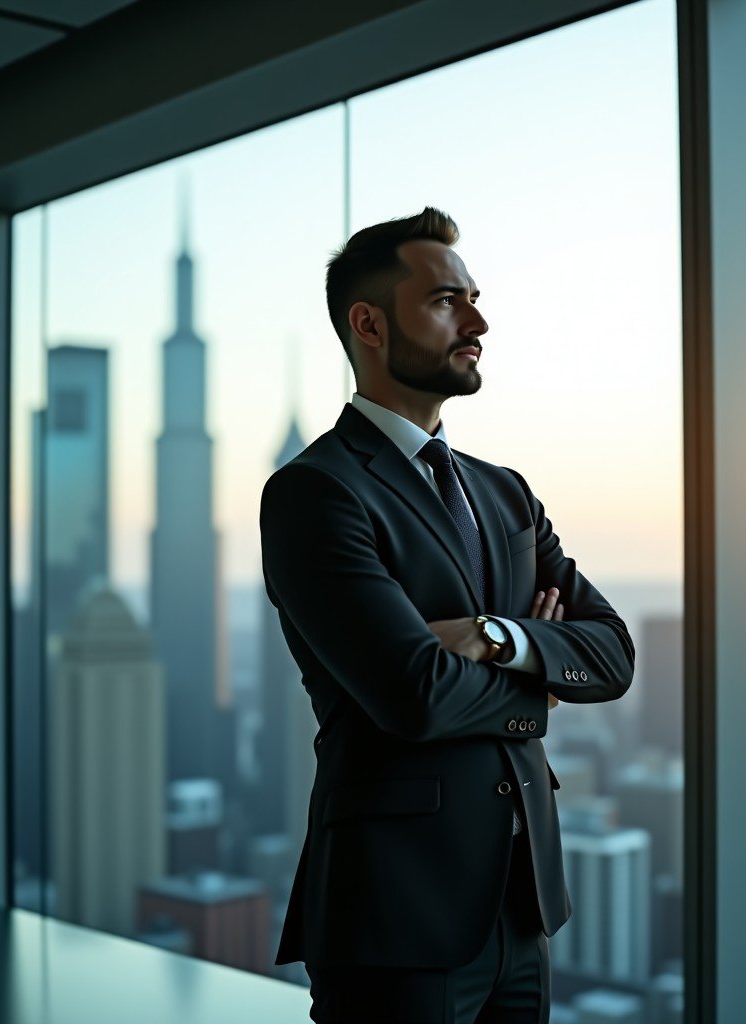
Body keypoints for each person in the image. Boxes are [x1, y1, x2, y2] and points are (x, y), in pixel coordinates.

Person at [259, 206, 634, 1023]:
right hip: (395, 917)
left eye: (474, 297)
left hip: (523, 908)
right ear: (370, 324)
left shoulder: (505, 492)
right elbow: (413, 693)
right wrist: (539, 674)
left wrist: (494, 637)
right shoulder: (317, 493)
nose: (479, 321)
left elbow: (612, 655)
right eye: (445, 302)